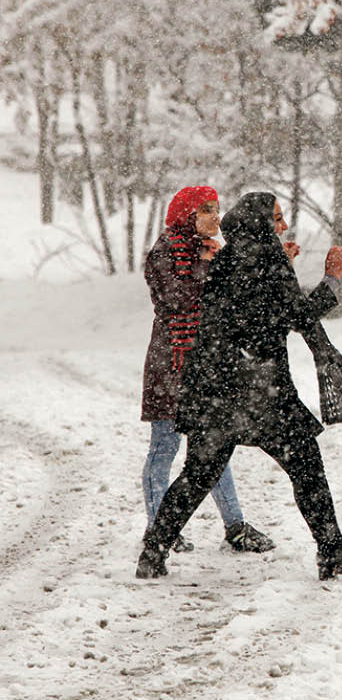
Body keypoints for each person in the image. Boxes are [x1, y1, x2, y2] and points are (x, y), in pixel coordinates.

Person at [136, 192, 342, 581]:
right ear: (261, 223)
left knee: (198, 475)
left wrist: (285, 266)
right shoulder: (266, 259)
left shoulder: (228, 259)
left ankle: (153, 552)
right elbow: (298, 315)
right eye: (277, 219)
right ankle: (332, 553)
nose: (282, 227)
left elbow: (252, 310)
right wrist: (331, 276)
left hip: (212, 389)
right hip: (259, 392)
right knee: (308, 468)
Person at [140, 186, 274, 554]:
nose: (216, 216)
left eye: (217, 209)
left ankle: (235, 526)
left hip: (203, 364)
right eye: (207, 210)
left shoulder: (206, 252)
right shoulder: (166, 251)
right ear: (187, 215)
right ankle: (158, 530)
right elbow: (177, 299)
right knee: (164, 447)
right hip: (171, 365)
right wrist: (211, 266)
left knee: (211, 447)